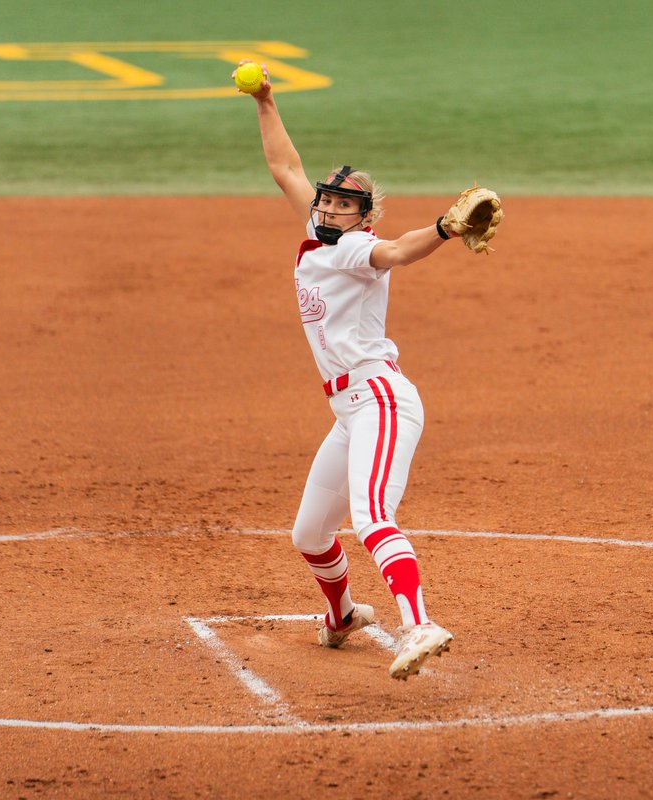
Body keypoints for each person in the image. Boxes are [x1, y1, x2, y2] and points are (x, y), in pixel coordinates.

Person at [237, 63, 460, 680]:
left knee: (371, 517)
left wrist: (442, 229)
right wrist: (265, 99)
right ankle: (343, 616)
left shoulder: (360, 248)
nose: (331, 208)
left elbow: (397, 251)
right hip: (347, 409)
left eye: (344, 204)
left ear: (362, 215)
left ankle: (420, 624)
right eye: (327, 200)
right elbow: (284, 168)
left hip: (382, 400)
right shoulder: (316, 234)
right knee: (310, 533)